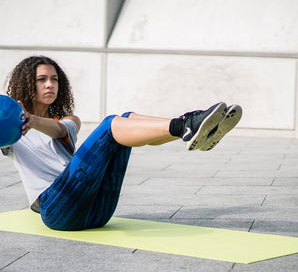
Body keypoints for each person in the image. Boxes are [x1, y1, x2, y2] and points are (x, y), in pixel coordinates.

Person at [1, 56, 242, 231]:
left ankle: (187, 129)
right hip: (58, 212)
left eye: (54, 79)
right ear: (27, 84)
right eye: (41, 79)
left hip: (97, 211)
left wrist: (32, 120)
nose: (50, 85)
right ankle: (186, 125)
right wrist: (23, 120)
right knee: (110, 125)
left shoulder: (67, 120)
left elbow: (57, 130)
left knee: (125, 122)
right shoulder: (10, 132)